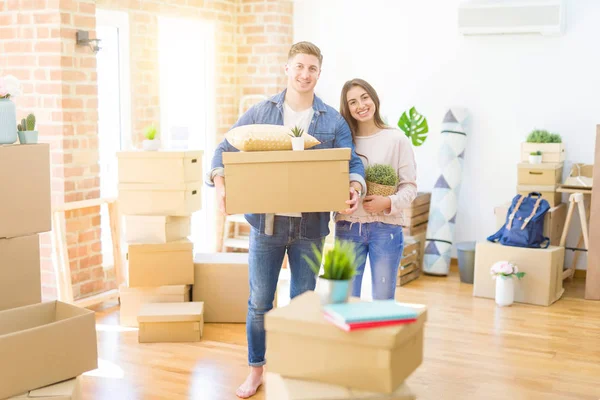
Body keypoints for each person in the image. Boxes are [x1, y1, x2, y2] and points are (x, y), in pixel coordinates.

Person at [206, 42, 366, 399]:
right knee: (260, 300)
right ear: (287, 69)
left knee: (302, 302)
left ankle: (295, 370)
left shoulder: (331, 120)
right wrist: (219, 183)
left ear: (318, 74)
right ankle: (256, 371)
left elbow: (352, 162)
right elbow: (223, 149)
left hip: (310, 227)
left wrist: (355, 185)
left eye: (312, 69)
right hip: (267, 224)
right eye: (299, 67)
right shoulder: (262, 112)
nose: (304, 74)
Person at [335, 78, 417, 300]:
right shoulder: (343, 142)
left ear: (374, 99)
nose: (360, 106)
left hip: (386, 229)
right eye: (352, 102)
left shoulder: (396, 139)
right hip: (347, 227)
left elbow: (409, 187)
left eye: (364, 97)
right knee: (346, 300)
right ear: (347, 108)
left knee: (383, 300)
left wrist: (388, 202)